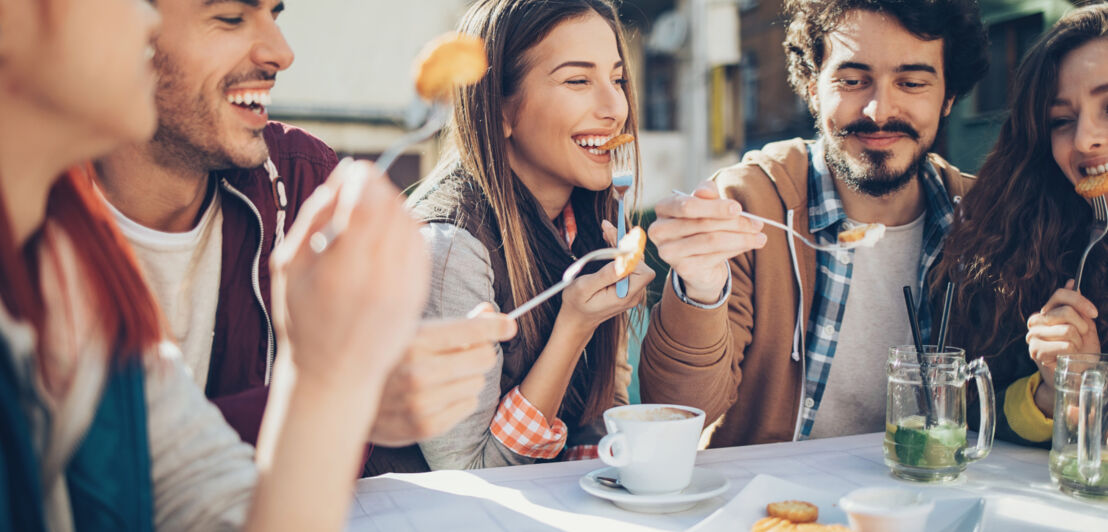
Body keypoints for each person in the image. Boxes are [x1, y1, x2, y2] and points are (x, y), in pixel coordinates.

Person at [0, 0, 428, 530]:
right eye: (229, 17)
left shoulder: (76, 270)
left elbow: (233, 513)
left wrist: (327, 375)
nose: (283, 53)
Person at [92, 0, 514, 474]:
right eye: (231, 18)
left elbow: (350, 452)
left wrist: (386, 380)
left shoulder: (303, 182)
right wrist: (328, 395)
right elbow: (74, 468)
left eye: (276, 15)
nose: (282, 53)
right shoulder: (35, 224)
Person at [640, 0, 988, 445]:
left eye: (912, 82)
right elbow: (678, 412)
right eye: (852, 80)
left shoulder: (985, 220)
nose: (879, 110)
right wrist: (699, 288)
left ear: (949, 97)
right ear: (811, 86)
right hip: (771, 506)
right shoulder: (749, 204)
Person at [407, 0, 654, 468]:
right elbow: (468, 474)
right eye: (578, 80)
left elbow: (598, 420)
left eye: (617, 79)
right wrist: (574, 328)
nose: (615, 108)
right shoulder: (449, 245)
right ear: (499, 108)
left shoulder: (588, 224)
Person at [934, 3, 1108, 448]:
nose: (1086, 138)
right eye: (1061, 121)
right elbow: (971, 411)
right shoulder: (1030, 249)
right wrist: (1058, 388)